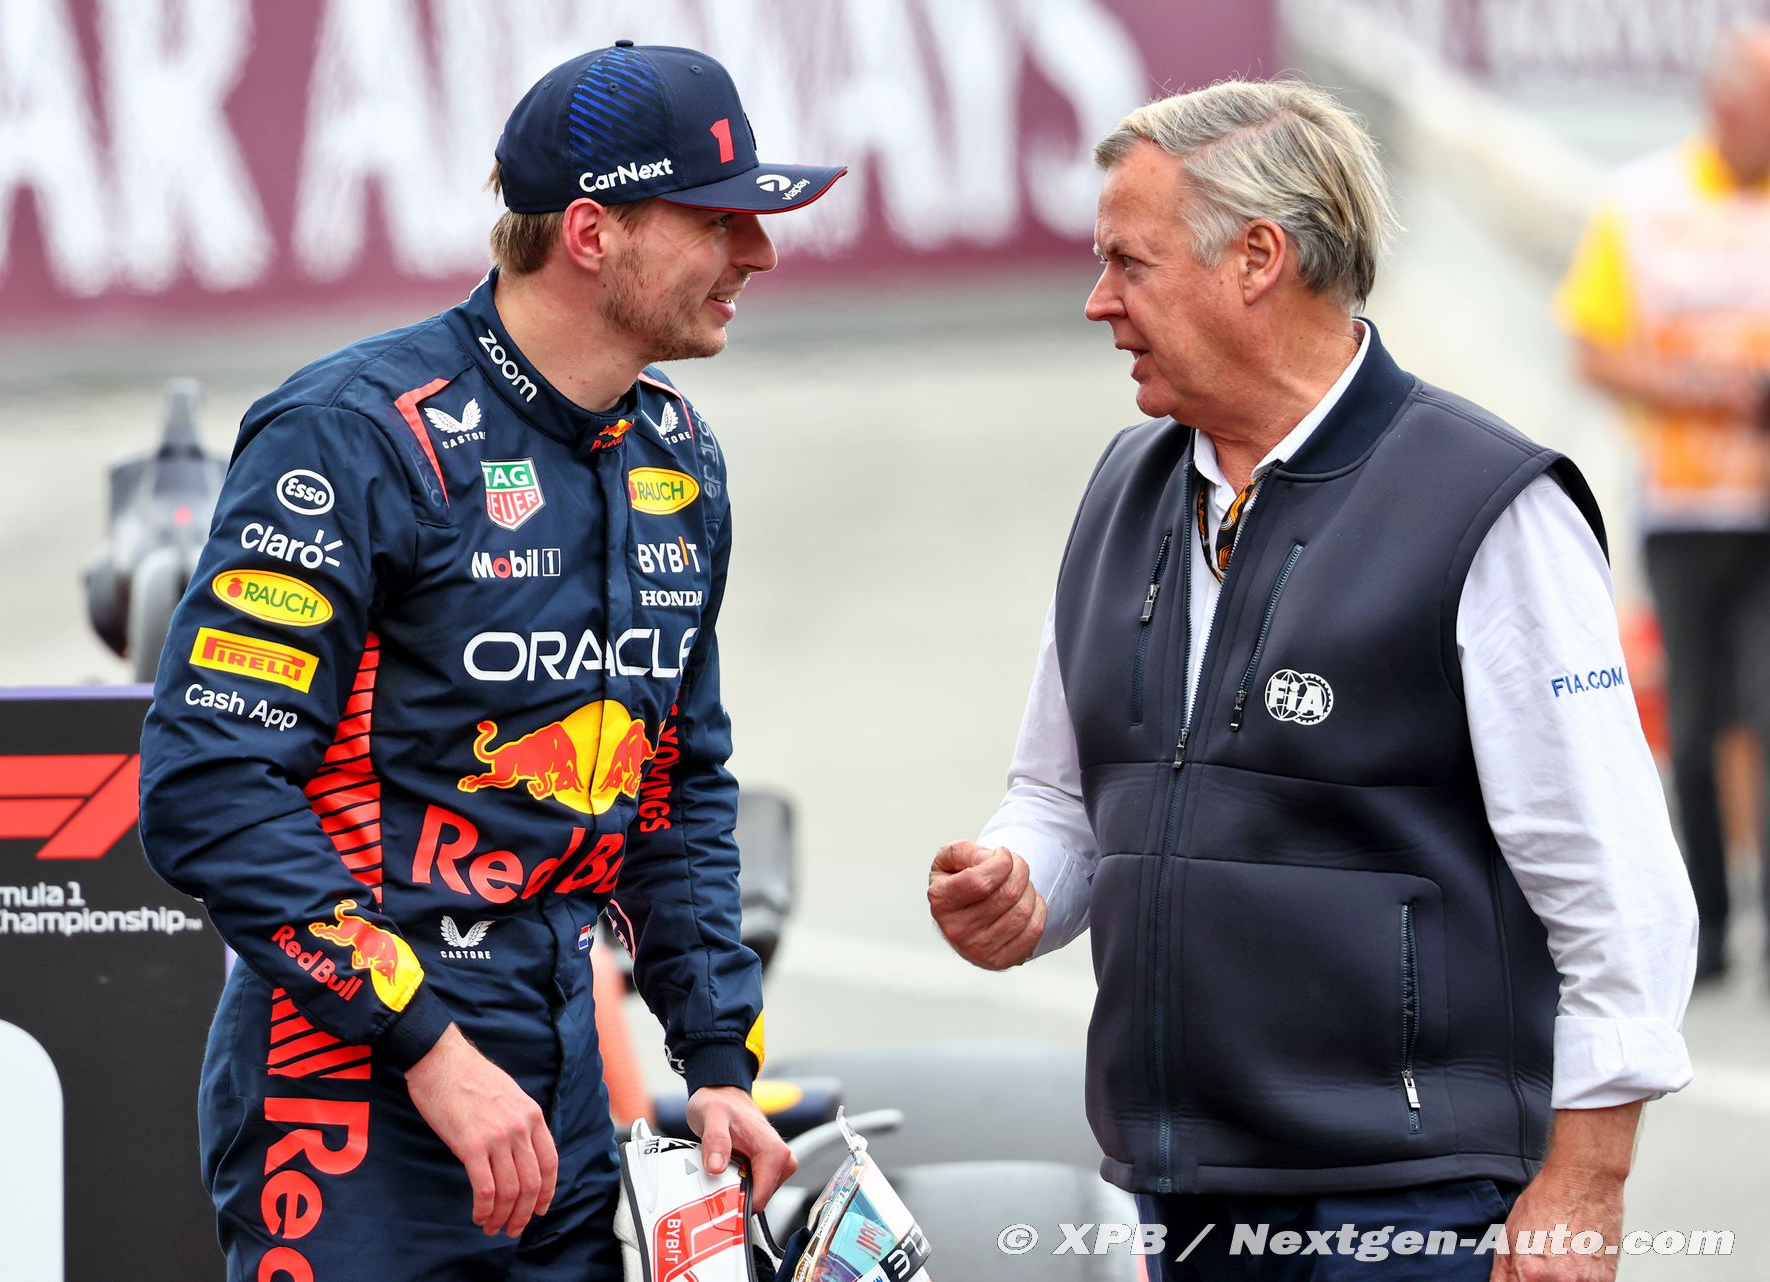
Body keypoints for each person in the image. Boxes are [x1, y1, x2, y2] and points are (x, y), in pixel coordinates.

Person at [927, 79, 1697, 1279]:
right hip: (1184, 1193)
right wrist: (1018, 880)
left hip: (1412, 1203)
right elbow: (1062, 798)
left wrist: (1586, 1182)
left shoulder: (1487, 505)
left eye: (1129, 262)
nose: (1098, 300)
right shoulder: (1123, 490)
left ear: (1257, 258)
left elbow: (1616, 885)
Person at [138, 41, 845, 1281]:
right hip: (349, 1097)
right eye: (717, 220)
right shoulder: (352, 435)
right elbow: (210, 785)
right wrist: (427, 1045)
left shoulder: (676, 458)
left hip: (560, 1090)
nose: (759, 253)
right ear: (591, 232)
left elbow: (672, 788)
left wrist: (717, 1060)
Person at [1556, 26, 1770, 983]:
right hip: (1682, 506)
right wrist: (1698, 391)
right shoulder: (1641, 201)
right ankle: (1709, 927)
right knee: (1695, 714)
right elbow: (1592, 348)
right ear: (1723, 105)